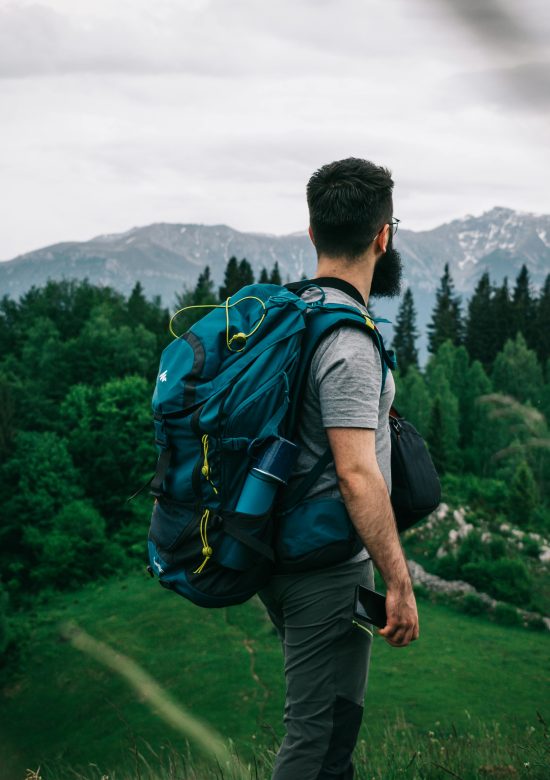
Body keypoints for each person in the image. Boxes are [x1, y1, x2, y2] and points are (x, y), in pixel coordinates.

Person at [258, 157, 419, 780]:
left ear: (311, 232)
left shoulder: (291, 314)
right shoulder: (348, 342)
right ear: (383, 236)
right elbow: (357, 475)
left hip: (280, 546)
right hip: (322, 565)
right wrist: (398, 583)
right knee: (316, 739)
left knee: (333, 733)